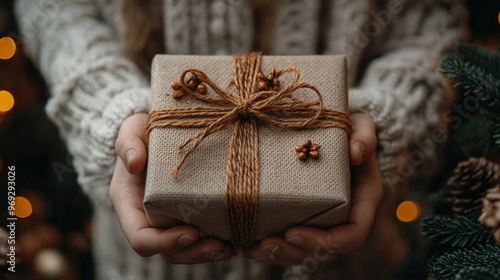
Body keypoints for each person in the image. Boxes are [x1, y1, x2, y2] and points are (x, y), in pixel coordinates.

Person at [15, 0, 466, 279]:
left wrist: (389, 121)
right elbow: (56, 11)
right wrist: (109, 110)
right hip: (137, 268)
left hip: (353, 264)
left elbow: (429, 20)